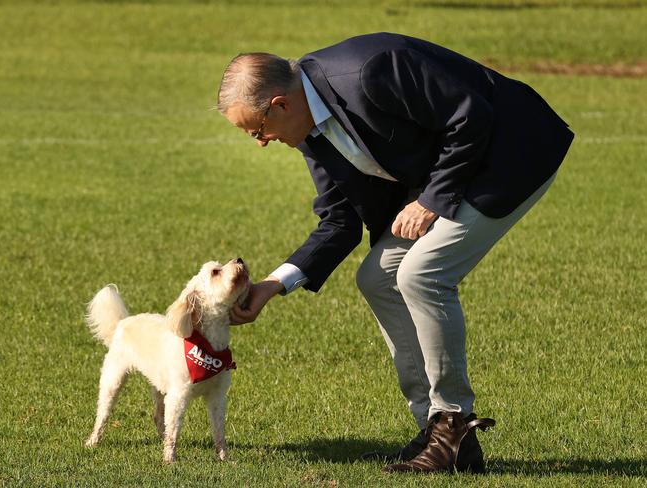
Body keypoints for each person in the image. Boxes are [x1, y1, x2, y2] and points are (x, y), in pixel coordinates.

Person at [217, 32, 573, 474]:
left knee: (421, 274)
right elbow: (339, 219)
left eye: (258, 130)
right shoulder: (308, 129)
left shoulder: (370, 70)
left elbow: (470, 115)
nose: (261, 141)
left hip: (513, 155)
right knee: (377, 277)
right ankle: (433, 427)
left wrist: (429, 201)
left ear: (280, 105)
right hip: (460, 172)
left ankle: (454, 425)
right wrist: (273, 284)